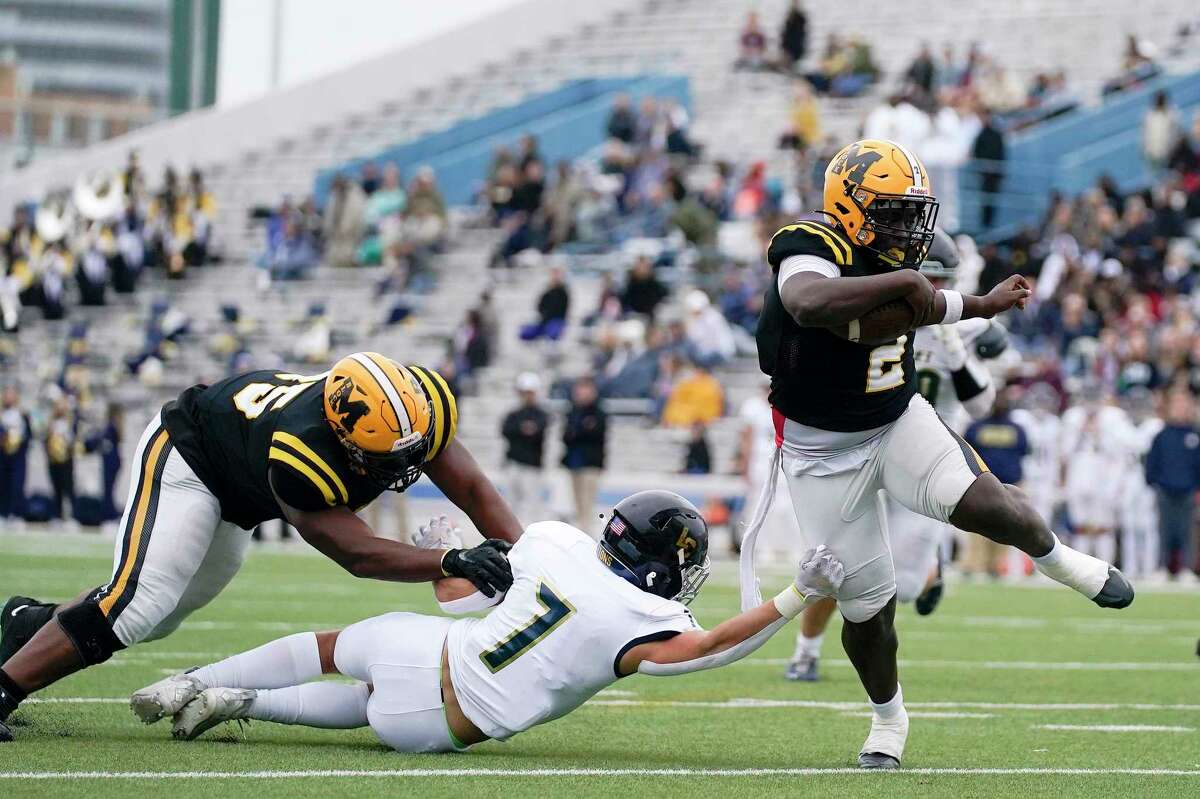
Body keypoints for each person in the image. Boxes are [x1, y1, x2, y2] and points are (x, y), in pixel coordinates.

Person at [746, 137, 1133, 769]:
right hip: (820, 451)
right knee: (867, 608)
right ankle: (888, 721)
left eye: (911, 213)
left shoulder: (906, 269)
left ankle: (1061, 562)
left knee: (995, 508)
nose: (907, 229)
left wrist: (983, 305)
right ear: (848, 207)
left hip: (897, 419)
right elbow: (808, 302)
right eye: (892, 213)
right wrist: (905, 281)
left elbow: (939, 306)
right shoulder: (809, 245)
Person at [0, 354, 523, 743]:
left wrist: (529, 559)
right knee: (138, 605)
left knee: (160, 620)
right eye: (384, 457)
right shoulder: (303, 449)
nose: (402, 468)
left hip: (241, 493)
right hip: (192, 458)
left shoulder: (411, 410)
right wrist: (449, 560)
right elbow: (357, 553)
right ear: (342, 436)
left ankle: (27, 624)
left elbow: (474, 488)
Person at [135, 494, 845, 749]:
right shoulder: (642, 617)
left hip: (422, 642)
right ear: (659, 564)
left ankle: (194, 678)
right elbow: (709, 649)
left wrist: (439, 554)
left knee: (326, 647)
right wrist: (791, 596)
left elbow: (460, 598)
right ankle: (248, 706)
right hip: (438, 724)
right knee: (364, 707)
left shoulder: (554, 541)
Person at [785, 230, 1007, 681]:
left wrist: (957, 356)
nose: (933, 295)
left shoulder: (965, 325)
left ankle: (928, 570)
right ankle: (805, 651)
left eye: (941, 284)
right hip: (864, 442)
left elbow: (983, 406)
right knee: (833, 560)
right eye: (927, 282)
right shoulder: (868, 312)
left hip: (928, 455)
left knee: (902, 586)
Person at [961, 387, 1030, 577]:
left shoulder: (981, 427)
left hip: (1000, 483)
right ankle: (974, 564)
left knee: (996, 525)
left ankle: (994, 565)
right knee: (981, 525)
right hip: (987, 483)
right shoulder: (1013, 429)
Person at [1145, 390, 1200, 578]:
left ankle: (1187, 569)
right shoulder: (1162, 435)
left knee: (1187, 532)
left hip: (1188, 491)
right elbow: (1152, 462)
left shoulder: (1195, 435)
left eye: (1184, 405)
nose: (1180, 409)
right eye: (1177, 405)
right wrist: (1155, 482)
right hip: (1165, 490)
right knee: (1163, 531)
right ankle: (1161, 567)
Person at [500, 373, 550, 524]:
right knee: (510, 502)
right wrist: (524, 430)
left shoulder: (541, 415)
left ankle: (529, 532)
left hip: (532, 465)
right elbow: (506, 431)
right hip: (514, 463)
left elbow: (537, 432)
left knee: (532, 503)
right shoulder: (513, 414)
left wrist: (523, 431)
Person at [562, 376, 606, 534]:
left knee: (587, 500)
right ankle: (581, 528)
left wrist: (579, 431)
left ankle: (587, 531)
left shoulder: (598, 412)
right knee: (577, 500)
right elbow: (567, 435)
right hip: (574, 462)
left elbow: (593, 433)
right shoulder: (573, 411)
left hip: (590, 463)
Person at [971, 111, 1006, 229]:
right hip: (985, 174)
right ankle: (985, 224)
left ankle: (990, 224)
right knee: (985, 199)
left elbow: (1001, 153)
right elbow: (977, 152)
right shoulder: (982, 135)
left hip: (995, 174)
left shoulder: (996, 134)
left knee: (992, 199)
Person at [0, 387, 30, 521]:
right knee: (2, 484)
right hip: (2, 454)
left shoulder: (22, 414)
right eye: (7, 395)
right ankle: (3, 513)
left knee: (17, 485)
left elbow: (29, 434)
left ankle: (17, 514)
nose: (9, 398)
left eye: (12, 395)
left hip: (18, 455)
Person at [44, 397, 76, 522]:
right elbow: (45, 439)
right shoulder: (51, 422)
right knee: (55, 488)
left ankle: (73, 516)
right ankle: (57, 515)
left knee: (69, 488)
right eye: (58, 406)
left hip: (66, 459)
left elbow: (74, 440)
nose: (60, 408)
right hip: (53, 459)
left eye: (63, 406)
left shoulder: (70, 421)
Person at [519, 266, 570, 342]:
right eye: (553, 274)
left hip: (556, 321)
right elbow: (539, 306)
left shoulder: (563, 292)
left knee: (553, 331)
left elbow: (561, 309)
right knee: (526, 331)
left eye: (557, 274)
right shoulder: (547, 292)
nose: (555, 277)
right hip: (544, 320)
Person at [779, 1, 807, 72]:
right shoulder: (788, 18)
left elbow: (801, 35)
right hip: (788, 49)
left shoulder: (801, 18)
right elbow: (785, 34)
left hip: (796, 49)